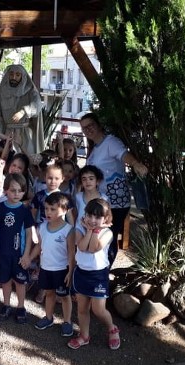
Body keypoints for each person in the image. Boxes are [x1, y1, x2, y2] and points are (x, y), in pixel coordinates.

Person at [80, 113, 148, 264]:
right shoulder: (95, 148)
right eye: (84, 128)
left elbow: (124, 155)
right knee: (100, 236)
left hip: (116, 202)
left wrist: (135, 164)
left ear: (98, 124)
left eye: (90, 125)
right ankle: (99, 268)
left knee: (108, 236)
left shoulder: (110, 142)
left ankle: (104, 269)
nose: (88, 129)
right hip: (102, 201)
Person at [22, 192, 76, 338]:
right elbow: (39, 246)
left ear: (64, 210)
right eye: (46, 208)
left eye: (53, 209)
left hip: (62, 270)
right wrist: (29, 258)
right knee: (49, 293)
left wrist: (71, 271)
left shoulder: (68, 230)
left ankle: (67, 321)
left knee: (65, 296)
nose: (48, 212)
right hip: (46, 268)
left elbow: (72, 253)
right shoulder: (42, 227)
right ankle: (48, 317)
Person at [70, 198, 120, 350]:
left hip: (98, 275)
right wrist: (90, 230)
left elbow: (93, 248)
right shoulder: (79, 228)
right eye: (89, 215)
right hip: (81, 273)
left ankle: (112, 328)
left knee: (98, 310)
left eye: (97, 217)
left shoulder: (107, 232)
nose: (92, 220)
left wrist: (95, 230)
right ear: (84, 215)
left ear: (106, 218)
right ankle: (84, 335)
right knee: (82, 309)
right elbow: (82, 246)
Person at [0, 173, 34, 324]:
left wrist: (27, 254)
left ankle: (21, 307)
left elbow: (29, 234)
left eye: (20, 191)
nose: (17, 194)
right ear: (5, 191)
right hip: (3, 252)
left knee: (20, 282)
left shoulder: (24, 210)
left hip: (19, 254)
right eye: (13, 190)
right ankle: (6, 305)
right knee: (5, 281)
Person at [0, 65, 45, 160]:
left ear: (22, 76)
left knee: (26, 160)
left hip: (25, 135)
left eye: (17, 75)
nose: (14, 77)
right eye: (11, 74)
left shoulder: (30, 91)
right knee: (8, 160)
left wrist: (24, 111)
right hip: (7, 134)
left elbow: (37, 105)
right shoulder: (2, 92)